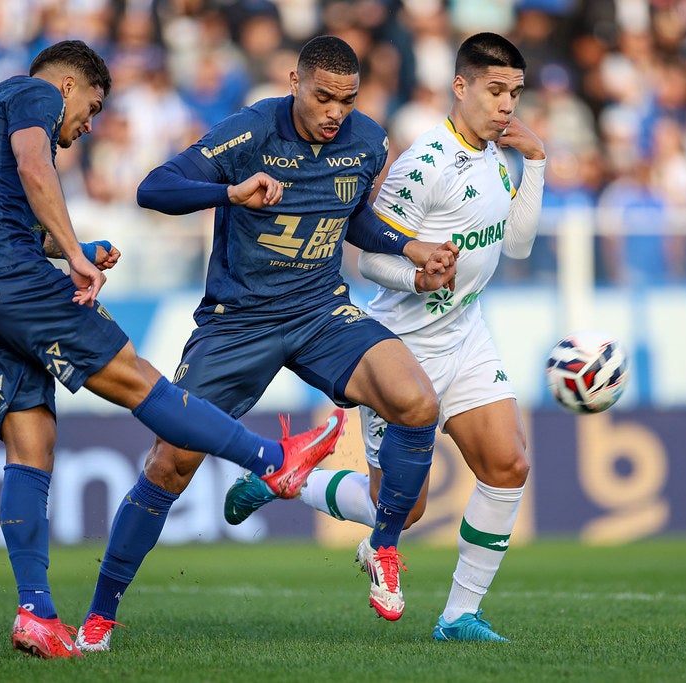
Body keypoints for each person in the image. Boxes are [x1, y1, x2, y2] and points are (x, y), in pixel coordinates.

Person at [0, 39, 348, 660]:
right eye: (91, 108)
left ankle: (36, 613)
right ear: (69, 86)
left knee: (31, 441)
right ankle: (269, 459)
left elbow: (0, 211)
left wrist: (75, 243)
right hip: (8, 274)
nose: (85, 126)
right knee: (136, 379)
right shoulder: (36, 92)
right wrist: (74, 257)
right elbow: (33, 166)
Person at [75, 35, 458, 652]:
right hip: (237, 323)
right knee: (170, 463)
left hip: (319, 311)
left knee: (416, 402)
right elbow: (155, 188)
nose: (335, 112)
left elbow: (348, 212)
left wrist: (407, 245)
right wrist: (228, 192)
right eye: (323, 97)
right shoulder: (251, 130)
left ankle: (382, 547)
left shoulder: (367, 140)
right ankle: (99, 618)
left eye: (347, 99)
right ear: (293, 82)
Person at [224, 32, 545, 642]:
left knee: (508, 464)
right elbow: (370, 257)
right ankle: (282, 479)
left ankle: (459, 616)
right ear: (461, 87)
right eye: (495, 90)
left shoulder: (503, 156)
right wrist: (418, 275)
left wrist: (537, 163)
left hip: (466, 333)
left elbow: (521, 244)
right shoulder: (423, 163)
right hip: (403, 345)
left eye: (515, 93)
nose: (507, 105)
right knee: (406, 507)